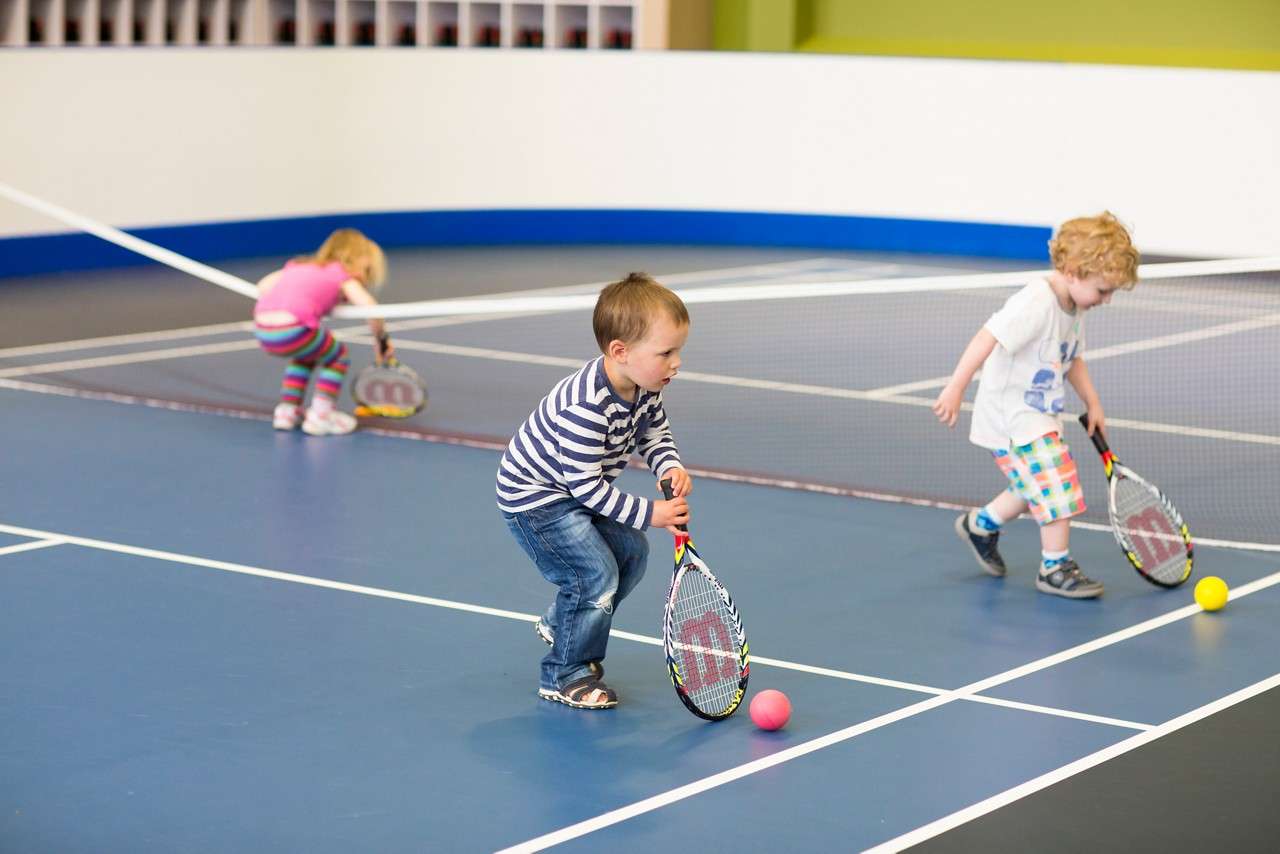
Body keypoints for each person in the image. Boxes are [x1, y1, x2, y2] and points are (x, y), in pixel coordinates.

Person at [497, 272, 692, 709]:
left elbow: (654, 435)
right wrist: (653, 513)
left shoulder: (645, 386)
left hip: (576, 489)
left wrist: (670, 466)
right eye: (666, 353)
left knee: (632, 555)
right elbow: (585, 488)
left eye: (678, 350)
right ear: (620, 352)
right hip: (538, 500)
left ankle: (563, 622)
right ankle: (564, 673)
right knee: (595, 575)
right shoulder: (586, 407)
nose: (676, 362)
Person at [932, 212, 1139, 598]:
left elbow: (1072, 358)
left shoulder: (1074, 307)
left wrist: (1092, 402)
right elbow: (986, 337)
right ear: (1075, 271)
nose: (1106, 299)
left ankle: (981, 524)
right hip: (1011, 417)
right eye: (1103, 290)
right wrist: (955, 388)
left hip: (1040, 412)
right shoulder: (1036, 300)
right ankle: (1054, 566)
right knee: (1057, 484)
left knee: (1032, 488)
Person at [254, 228, 391, 436]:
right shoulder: (342, 274)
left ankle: (287, 412)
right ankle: (321, 415)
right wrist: (381, 338)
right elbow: (370, 307)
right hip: (295, 328)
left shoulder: (299, 265)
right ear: (360, 259)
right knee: (338, 356)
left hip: (263, 329)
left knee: (306, 356)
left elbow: (262, 286)